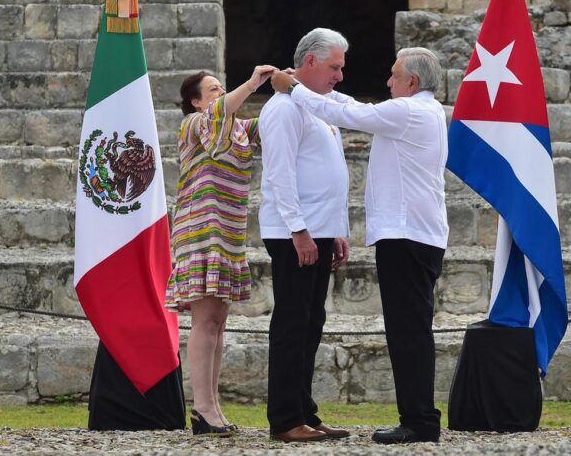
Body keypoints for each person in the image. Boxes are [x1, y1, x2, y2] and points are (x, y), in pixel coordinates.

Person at [271, 47, 448, 444]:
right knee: (408, 329)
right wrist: (313, 89)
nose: (387, 82)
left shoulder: (409, 112)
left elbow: (348, 115)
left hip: (408, 236)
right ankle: (419, 418)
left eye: (394, 75)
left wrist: (294, 87)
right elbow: (353, 105)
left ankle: (419, 421)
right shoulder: (423, 110)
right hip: (415, 235)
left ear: (412, 82)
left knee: (408, 332)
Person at [165, 65, 276, 436]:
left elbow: (272, 121)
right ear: (196, 101)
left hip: (228, 234)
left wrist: (291, 88)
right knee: (205, 321)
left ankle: (211, 406)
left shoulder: (239, 130)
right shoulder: (194, 125)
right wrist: (253, 83)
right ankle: (202, 408)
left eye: (220, 88)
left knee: (217, 322)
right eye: (212, 90)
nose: (219, 94)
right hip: (200, 231)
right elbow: (219, 112)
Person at [259, 28, 352, 442]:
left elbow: (334, 174)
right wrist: (298, 229)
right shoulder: (283, 109)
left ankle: (305, 410)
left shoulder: (320, 107)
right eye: (334, 67)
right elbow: (280, 174)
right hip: (293, 232)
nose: (339, 76)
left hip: (320, 229)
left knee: (312, 321)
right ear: (310, 62)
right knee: (294, 323)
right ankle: (284, 417)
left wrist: (338, 230)